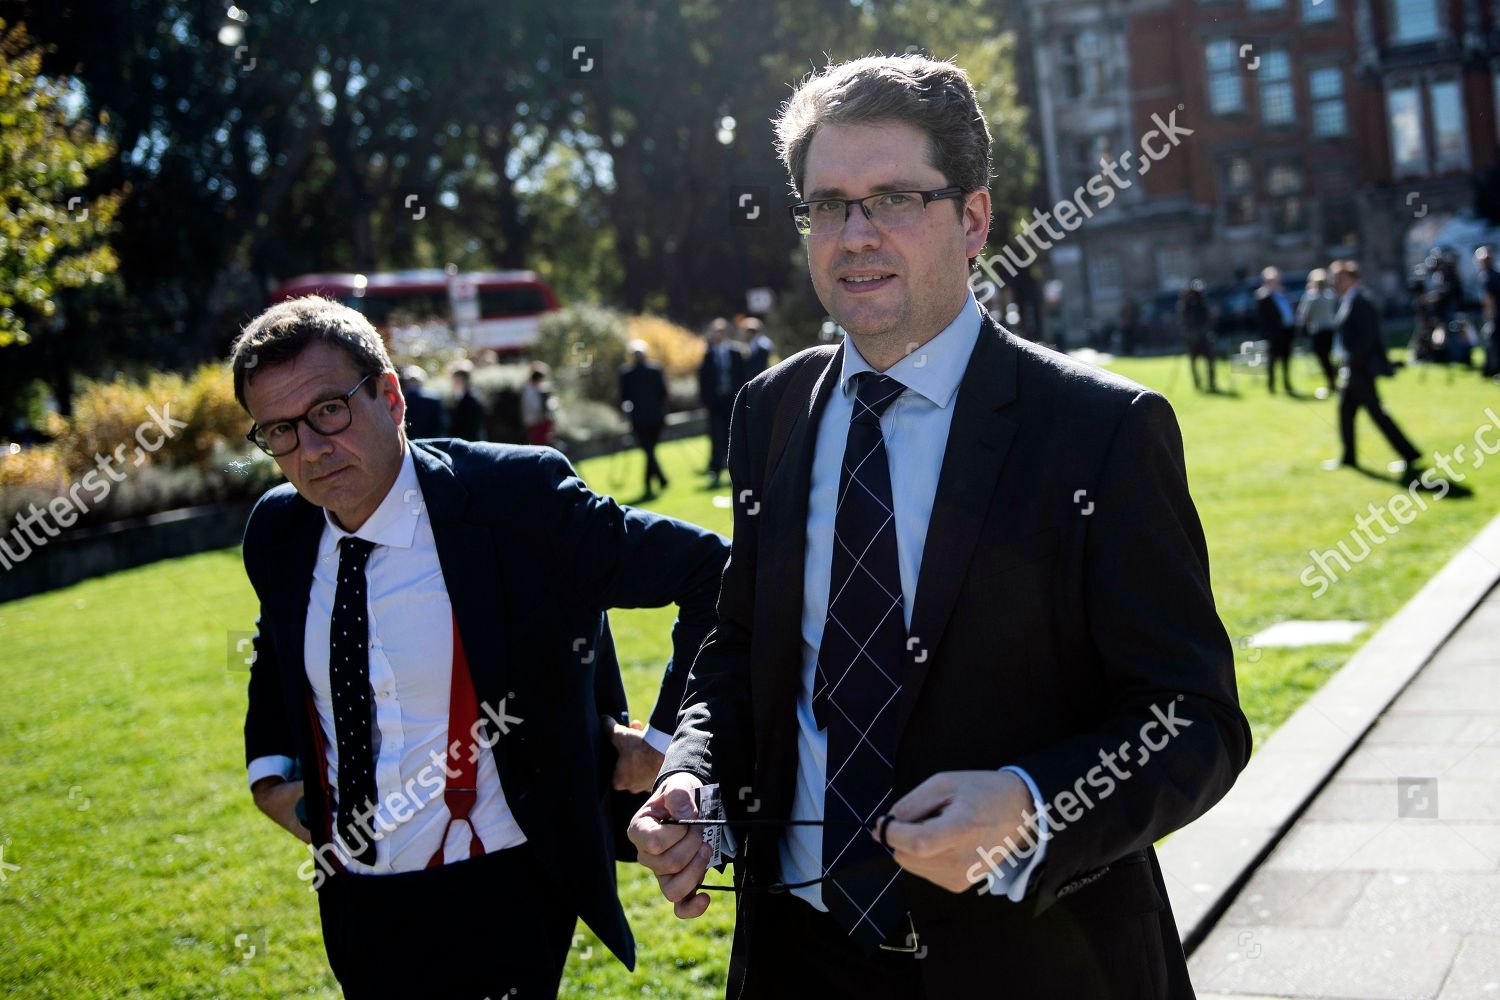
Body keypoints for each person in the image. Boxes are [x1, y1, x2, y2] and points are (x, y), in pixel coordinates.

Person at [628, 54, 1251, 998]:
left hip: (1039, 962)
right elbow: (742, 643)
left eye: (893, 199)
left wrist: (1038, 803)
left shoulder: (1100, 429)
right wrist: (696, 775)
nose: (855, 234)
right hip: (800, 960)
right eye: (828, 204)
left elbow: (1195, 722)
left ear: (973, 219)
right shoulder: (771, 411)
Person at [230, 296, 729, 998]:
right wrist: (270, 771)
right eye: (279, 431)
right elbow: (277, 643)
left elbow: (713, 571)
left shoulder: (512, 498)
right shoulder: (280, 530)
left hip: (499, 892)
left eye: (328, 411)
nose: (309, 449)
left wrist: (669, 738)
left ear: (390, 396)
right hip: (352, 899)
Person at [1324, 260, 1424, 480]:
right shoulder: (1348, 301)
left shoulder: (1361, 302)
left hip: (1359, 371)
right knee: (1346, 413)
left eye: (1339, 278)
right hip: (1352, 369)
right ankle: (1349, 457)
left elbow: (1368, 338)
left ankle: (1409, 454)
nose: (1336, 283)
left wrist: (1352, 364)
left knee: (1376, 414)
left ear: (1351, 278)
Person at [698, 317, 746, 487]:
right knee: (716, 436)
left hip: (732, 400)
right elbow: (703, 380)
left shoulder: (735, 351)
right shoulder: (709, 355)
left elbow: (742, 375)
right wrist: (705, 401)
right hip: (716, 402)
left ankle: (736, 468)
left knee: (734, 434)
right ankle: (715, 469)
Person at [619, 339, 670, 496]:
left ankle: (654, 482)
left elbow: (623, 397)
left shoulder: (628, 373)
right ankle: (659, 479)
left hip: (644, 418)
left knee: (649, 451)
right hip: (650, 417)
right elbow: (664, 393)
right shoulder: (652, 370)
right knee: (650, 451)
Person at [1297, 269, 1339, 398]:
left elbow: (1303, 316)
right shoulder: (1331, 295)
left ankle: (1331, 381)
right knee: (1329, 357)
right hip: (1331, 330)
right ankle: (1333, 379)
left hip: (1318, 331)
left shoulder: (1311, 297)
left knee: (1323, 358)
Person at [1255, 266, 1296, 394]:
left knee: (1286, 358)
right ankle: (1271, 385)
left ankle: (1286, 383)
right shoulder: (1263, 296)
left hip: (1286, 331)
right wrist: (1267, 333)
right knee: (1272, 360)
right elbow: (1261, 318)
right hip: (1273, 333)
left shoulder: (1283, 293)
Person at [1178, 278, 1217, 392]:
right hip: (1192, 337)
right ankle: (1197, 383)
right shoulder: (1186, 303)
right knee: (1193, 361)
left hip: (1204, 336)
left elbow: (1207, 318)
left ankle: (1211, 382)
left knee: (1210, 359)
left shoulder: (1202, 302)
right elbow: (1183, 319)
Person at [398, 365, 446, 438]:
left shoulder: (433, 399)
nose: (413, 384)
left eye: (414, 381)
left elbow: (438, 424)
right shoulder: (434, 398)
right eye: (411, 381)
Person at [447, 361, 486, 441]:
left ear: (461, 380)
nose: (452, 383)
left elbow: (472, 426)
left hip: (470, 443)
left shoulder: (472, 398)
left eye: (454, 379)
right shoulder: (461, 396)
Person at [520, 361, 556, 446]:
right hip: (535, 423)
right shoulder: (529, 391)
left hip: (536, 423)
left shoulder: (534, 389)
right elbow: (537, 408)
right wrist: (551, 405)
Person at [1477, 247, 1500, 378]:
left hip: (1496, 316)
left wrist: (1489, 317)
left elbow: (1488, 299)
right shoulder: (1497, 274)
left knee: (1494, 342)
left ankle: (1494, 369)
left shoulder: (1486, 277)